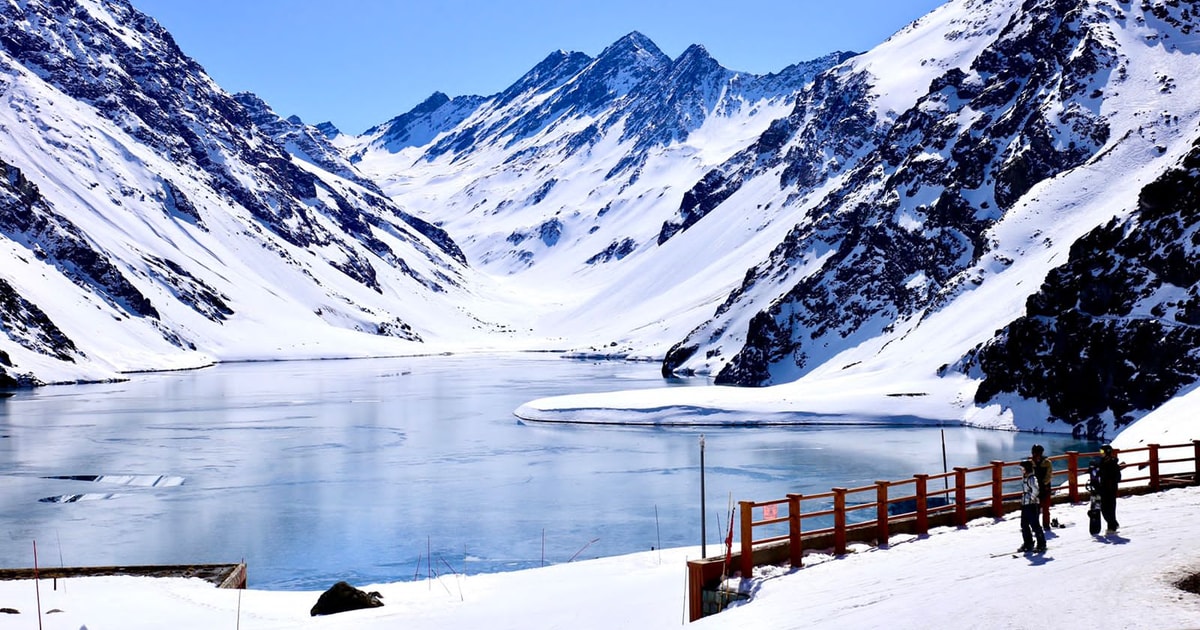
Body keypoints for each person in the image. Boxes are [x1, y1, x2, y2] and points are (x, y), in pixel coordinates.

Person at [1018, 459, 1046, 553]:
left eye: (1022, 468)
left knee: (1035, 525)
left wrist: (1031, 498)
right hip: (1025, 503)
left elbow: (1036, 490)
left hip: (1032, 504)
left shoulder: (1032, 478)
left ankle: (1041, 544)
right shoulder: (1025, 478)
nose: (1021, 470)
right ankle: (1028, 542)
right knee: (1024, 524)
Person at [1097, 444, 1122, 534]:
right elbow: (1100, 472)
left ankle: (1112, 526)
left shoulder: (1113, 463)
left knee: (1110, 507)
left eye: (1102, 451)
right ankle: (1113, 524)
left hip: (1110, 488)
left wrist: (1110, 481)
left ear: (1107, 452)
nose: (1101, 453)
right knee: (1104, 508)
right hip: (1103, 487)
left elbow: (1118, 477)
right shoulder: (1102, 461)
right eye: (1100, 451)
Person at [1030, 444, 1053, 528]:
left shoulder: (1047, 462)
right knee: (1035, 507)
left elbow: (1049, 475)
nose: (1036, 455)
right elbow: (1029, 475)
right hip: (1034, 487)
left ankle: (1046, 524)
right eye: (1034, 453)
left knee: (1045, 507)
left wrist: (1043, 484)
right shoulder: (1031, 463)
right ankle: (1035, 525)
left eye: (1037, 453)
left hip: (1045, 486)